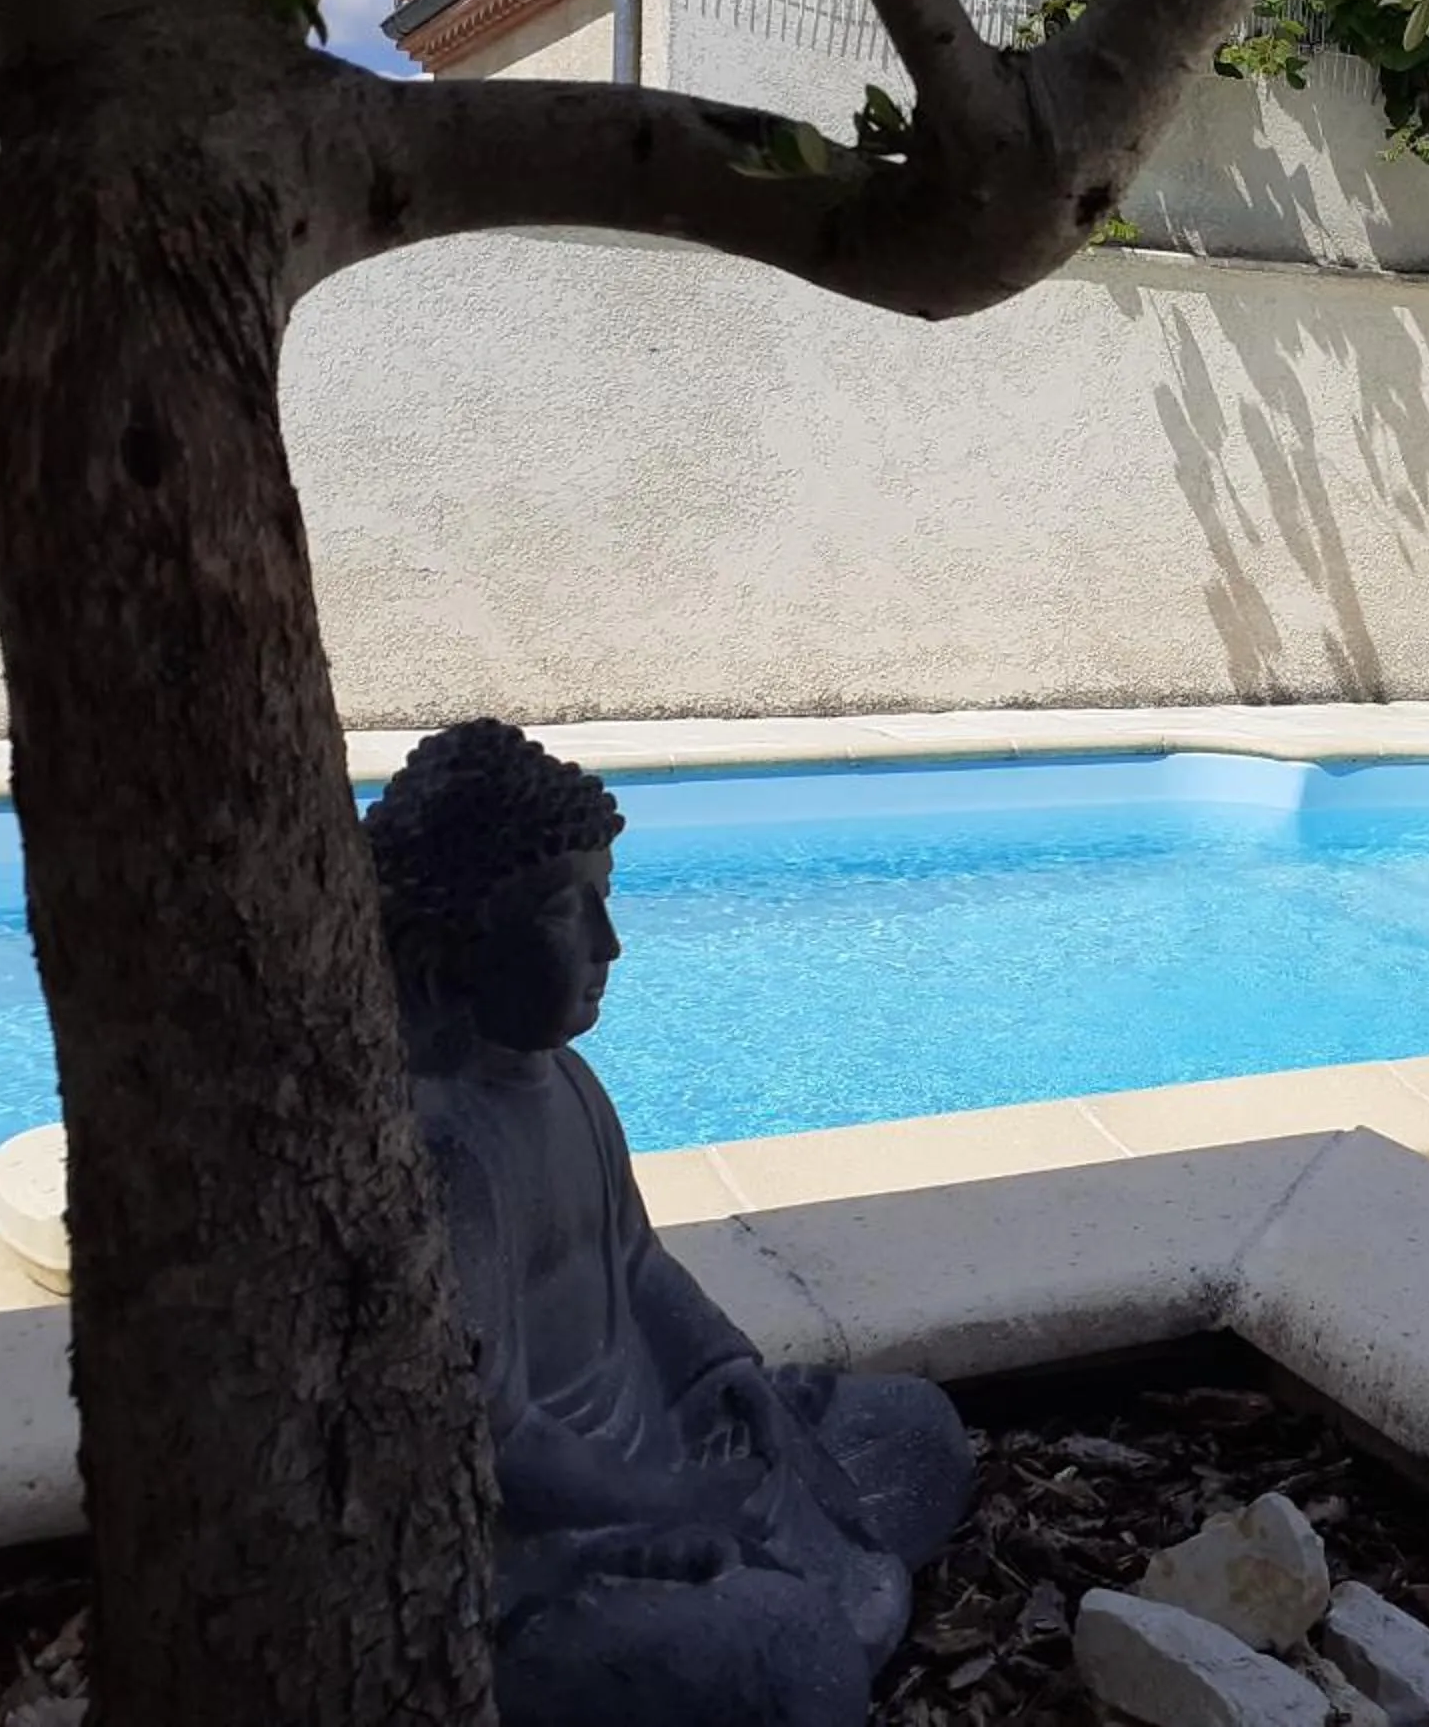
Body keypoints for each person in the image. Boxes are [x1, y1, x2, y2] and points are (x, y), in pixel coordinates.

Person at [365, 719, 973, 1727]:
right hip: (553, 1540)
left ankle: (772, 1593)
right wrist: (662, 1505)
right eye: (567, 914)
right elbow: (492, 1434)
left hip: (661, 1427)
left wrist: (727, 1376)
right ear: (460, 943)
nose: (609, 945)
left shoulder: (566, 1081)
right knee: (797, 1659)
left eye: (606, 900)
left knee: (917, 1434)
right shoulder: (446, 1154)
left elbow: (636, 1262)